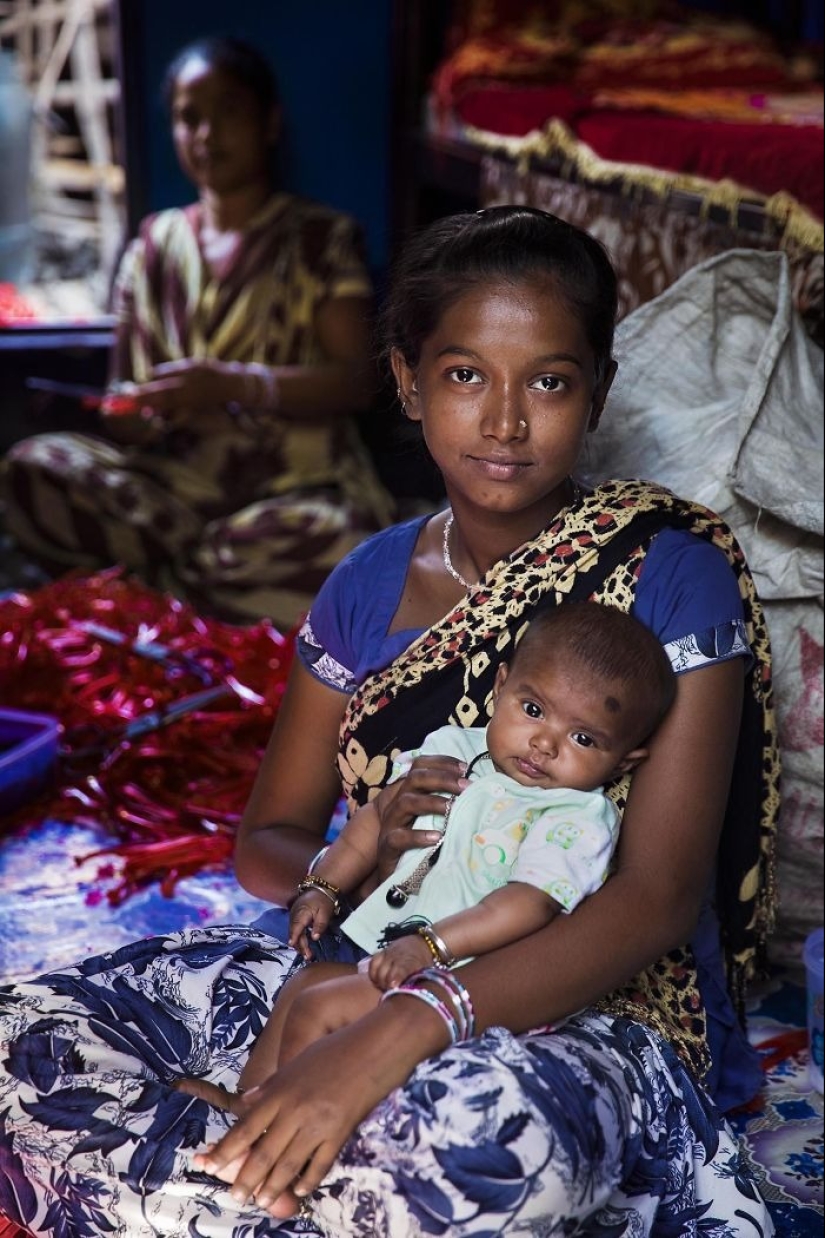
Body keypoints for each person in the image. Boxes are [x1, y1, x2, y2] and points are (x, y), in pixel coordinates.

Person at [0, 206, 779, 1237]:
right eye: (465, 375)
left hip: (584, 1000)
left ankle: (220, 1186)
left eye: (549, 382)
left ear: (598, 392)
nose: (506, 421)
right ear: (409, 384)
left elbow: (655, 898)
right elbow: (269, 838)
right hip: (372, 946)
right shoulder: (365, 585)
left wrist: (405, 1028)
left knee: (487, 1148)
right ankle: (277, 1183)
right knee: (21, 1036)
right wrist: (357, 861)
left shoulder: (670, 570)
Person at [0, 35, 394, 631]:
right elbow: (122, 401)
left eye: (228, 112)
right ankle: (202, 584)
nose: (207, 135)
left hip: (292, 491)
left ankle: (149, 593)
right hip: (171, 494)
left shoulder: (321, 239)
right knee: (32, 467)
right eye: (189, 119)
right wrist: (134, 414)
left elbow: (357, 382)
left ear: (269, 122)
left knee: (345, 546)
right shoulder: (153, 245)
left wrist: (233, 385)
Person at [224, 601, 676, 1096]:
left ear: (622, 763)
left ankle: (282, 1118)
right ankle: (245, 1107)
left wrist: (431, 946)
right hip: (386, 947)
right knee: (301, 989)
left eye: (583, 738)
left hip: (467, 981)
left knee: (319, 1008)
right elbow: (373, 820)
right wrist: (322, 887)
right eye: (532, 710)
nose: (545, 744)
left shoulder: (576, 816)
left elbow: (529, 904)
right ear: (500, 686)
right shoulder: (453, 748)